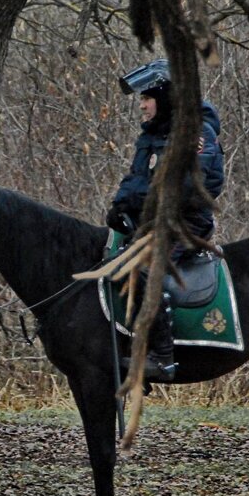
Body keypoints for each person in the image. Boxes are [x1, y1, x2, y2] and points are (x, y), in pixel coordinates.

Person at [105, 57, 224, 379]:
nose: (142, 106)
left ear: (166, 98)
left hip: (186, 222)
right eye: (141, 99)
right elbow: (136, 178)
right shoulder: (152, 135)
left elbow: (189, 187)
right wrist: (119, 207)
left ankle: (163, 357)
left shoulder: (196, 133)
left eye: (146, 99)